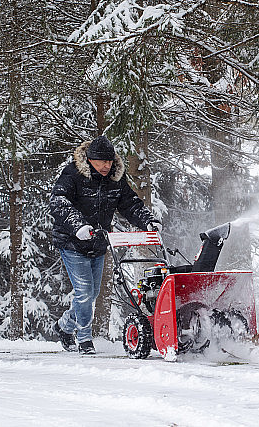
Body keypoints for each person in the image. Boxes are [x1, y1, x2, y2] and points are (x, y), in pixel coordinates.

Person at [49, 136, 160, 354]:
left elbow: (129, 203)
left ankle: (64, 326)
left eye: (109, 162)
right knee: (84, 292)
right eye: (101, 162)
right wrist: (78, 226)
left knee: (93, 293)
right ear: (90, 160)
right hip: (73, 242)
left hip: (98, 242)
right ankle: (84, 339)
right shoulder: (72, 174)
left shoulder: (115, 179)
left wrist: (148, 220)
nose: (106, 166)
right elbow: (59, 202)